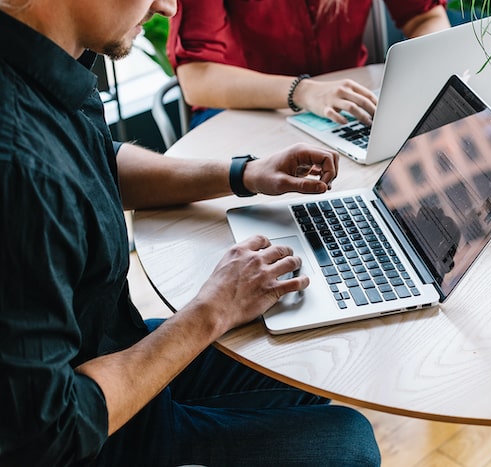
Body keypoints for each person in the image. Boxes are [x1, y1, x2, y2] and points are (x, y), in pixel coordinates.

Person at [0, 0, 381, 466]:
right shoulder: (21, 169)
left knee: (302, 353)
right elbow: (46, 432)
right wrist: (212, 309)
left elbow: (95, 159)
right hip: (88, 437)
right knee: (350, 444)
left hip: (106, 349)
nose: (167, 7)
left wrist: (243, 174)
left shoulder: (44, 61)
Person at [168, 0, 451, 128]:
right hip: (243, 113)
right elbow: (197, 78)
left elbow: (423, 16)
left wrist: (433, 69)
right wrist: (304, 92)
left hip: (345, 109)